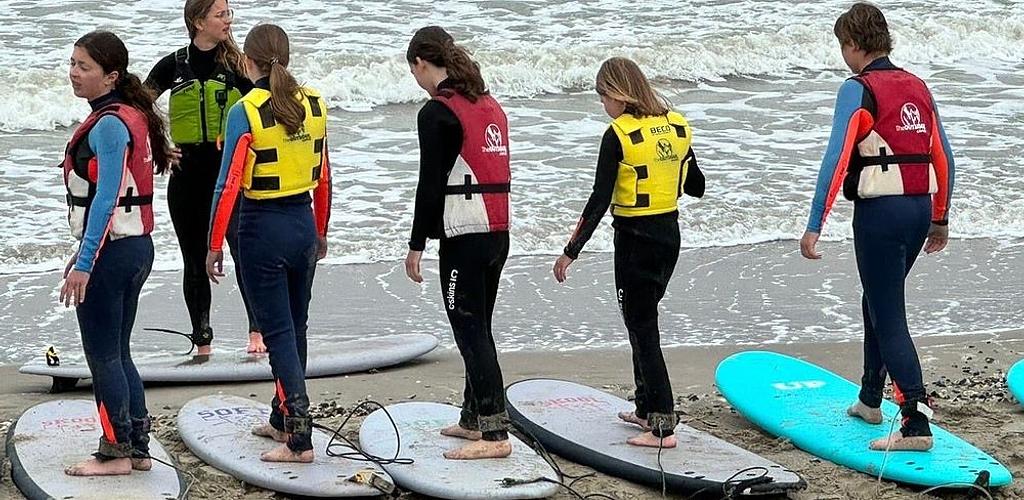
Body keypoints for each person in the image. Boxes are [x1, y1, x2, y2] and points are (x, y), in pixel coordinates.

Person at [800, 2, 954, 452]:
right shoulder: (917, 85)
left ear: (853, 44)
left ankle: (915, 423)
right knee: (877, 299)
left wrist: (814, 223)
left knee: (888, 315)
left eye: (841, 46)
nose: (843, 56)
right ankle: (870, 399)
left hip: (881, 215)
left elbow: (836, 158)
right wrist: (940, 217)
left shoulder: (858, 89)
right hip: (918, 210)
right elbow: (943, 155)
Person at [552, 57, 704, 448]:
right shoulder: (676, 126)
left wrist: (571, 251)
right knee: (642, 320)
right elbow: (696, 186)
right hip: (669, 236)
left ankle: (663, 426)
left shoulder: (617, 134)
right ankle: (644, 408)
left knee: (642, 327)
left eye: (603, 96)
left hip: (635, 242)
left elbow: (599, 199)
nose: (603, 104)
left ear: (619, 95)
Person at [206, 23, 331, 463]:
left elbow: (227, 185)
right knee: (296, 327)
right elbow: (324, 176)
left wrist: (214, 243)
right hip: (303, 223)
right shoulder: (314, 103)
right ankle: (282, 419)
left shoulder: (245, 110)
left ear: (247, 61)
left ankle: (299, 438)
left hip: (262, 229)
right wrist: (321, 230)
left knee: (277, 333)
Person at [60, 30, 171, 476]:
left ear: (111, 76)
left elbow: (106, 199)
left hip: (113, 254)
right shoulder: (132, 115)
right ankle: (137, 447)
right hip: (136, 248)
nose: (74, 73)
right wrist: (84, 255)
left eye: (84, 66)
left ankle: (115, 453)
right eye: (72, 63)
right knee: (119, 353)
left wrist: (85, 263)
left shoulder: (108, 125)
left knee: (103, 356)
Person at [404, 26, 513, 460]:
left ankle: (495, 434)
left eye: (412, 70)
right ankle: (473, 419)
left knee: (469, 330)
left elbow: (429, 184)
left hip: (465, 237)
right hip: (498, 234)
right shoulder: (489, 104)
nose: (415, 78)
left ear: (421, 63)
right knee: (479, 327)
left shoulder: (437, 113)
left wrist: (416, 244)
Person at [146, 0, 262, 355]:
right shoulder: (172, 65)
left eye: (228, 13)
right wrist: (160, 147)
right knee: (194, 260)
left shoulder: (238, 66)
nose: (228, 20)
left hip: (229, 178)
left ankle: (257, 331)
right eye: (220, 14)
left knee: (243, 253)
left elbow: (265, 108)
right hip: (186, 179)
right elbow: (137, 107)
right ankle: (202, 339)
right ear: (198, 22)